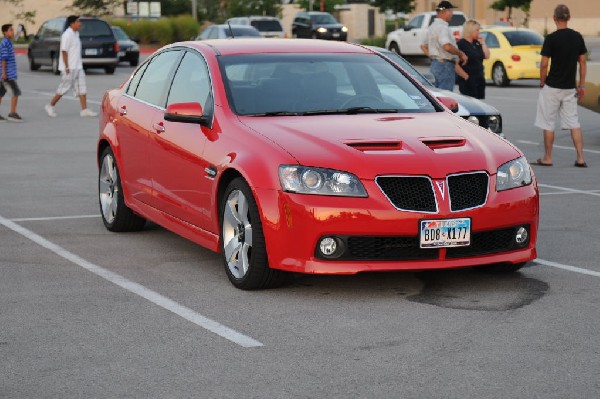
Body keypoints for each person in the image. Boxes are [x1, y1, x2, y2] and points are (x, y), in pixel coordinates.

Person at [533, 4, 587, 168]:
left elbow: (544, 64)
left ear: (554, 18)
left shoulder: (551, 38)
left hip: (552, 87)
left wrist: (542, 82)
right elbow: (582, 62)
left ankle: (548, 157)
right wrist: (581, 84)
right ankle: (580, 158)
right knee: (574, 122)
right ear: (568, 18)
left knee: (548, 122)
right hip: (570, 88)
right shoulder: (577, 37)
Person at [45, 15, 97, 118]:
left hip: (78, 67)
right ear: (72, 23)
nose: (80, 23)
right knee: (64, 88)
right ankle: (50, 105)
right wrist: (67, 67)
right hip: (69, 68)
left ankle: (84, 110)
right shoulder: (67, 35)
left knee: (82, 88)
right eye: (78, 22)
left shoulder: (76, 34)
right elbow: (64, 51)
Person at [420, 1, 468, 91]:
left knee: (436, 95)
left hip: (435, 65)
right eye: (451, 11)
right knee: (445, 96)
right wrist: (460, 54)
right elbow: (446, 46)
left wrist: (434, 57)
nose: (451, 14)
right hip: (445, 66)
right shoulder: (443, 27)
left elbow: (423, 46)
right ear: (445, 11)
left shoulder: (432, 26)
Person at [454, 20, 489, 99]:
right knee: (470, 104)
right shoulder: (461, 44)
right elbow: (455, 65)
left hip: (479, 78)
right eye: (477, 30)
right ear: (470, 30)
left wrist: (483, 42)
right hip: (468, 80)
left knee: (479, 104)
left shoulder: (476, 43)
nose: (478, 32)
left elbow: (486, 56)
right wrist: (466, 77)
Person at [0, 23, 22, 122]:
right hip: (7, 74)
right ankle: (12, 113)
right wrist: (4, 73)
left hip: (6, 73)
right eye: (10, 30)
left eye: (12, 30)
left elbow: (16, 38)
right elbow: (3, 59)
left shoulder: (8, 41)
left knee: (1, 93)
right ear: (5, 32)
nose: (12, 32)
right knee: (15, 92)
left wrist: (19, 30)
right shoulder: (5, 43)